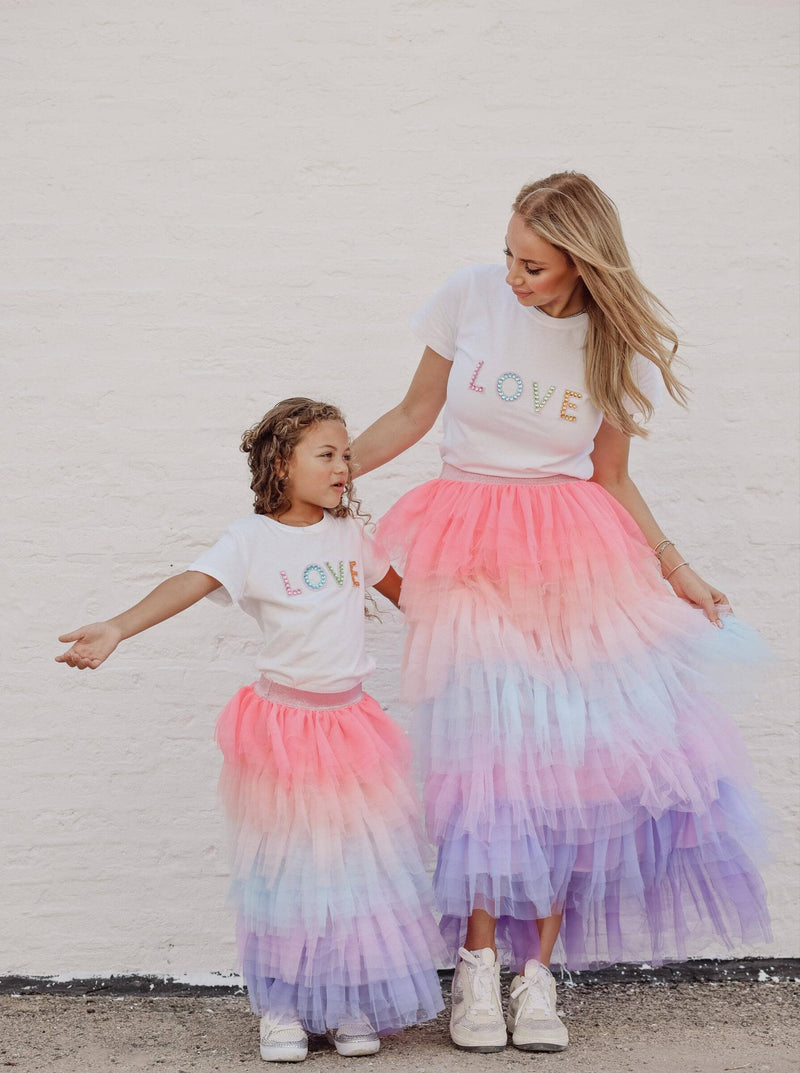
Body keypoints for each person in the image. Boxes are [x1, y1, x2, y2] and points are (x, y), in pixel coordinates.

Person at [351, 172, 770, 1055]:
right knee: (483, 759)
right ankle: (475, 966)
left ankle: (535, 975)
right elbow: (414, 413)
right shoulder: (469, 295)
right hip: (465, 543)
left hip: (570, 558)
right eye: (508, 254)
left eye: (533, 266)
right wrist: (321, 477)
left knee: (560, 768)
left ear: (582, 262)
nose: (512, 275)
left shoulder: (612, 346)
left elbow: (611, 477)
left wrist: (677, 567)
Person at [56, 397, 446, 1064]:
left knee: (354, 869)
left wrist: (493, 613)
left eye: (346, 454)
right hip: (284, 731)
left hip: (352, 728)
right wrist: (118, 626)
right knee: (288, 870)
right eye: (326, 454)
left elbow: (412, 598)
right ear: (281, 464)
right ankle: (283, 1005)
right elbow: (189, 582)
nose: (343, 467)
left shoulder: (352, 535)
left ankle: (344, 998)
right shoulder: (251, 540)